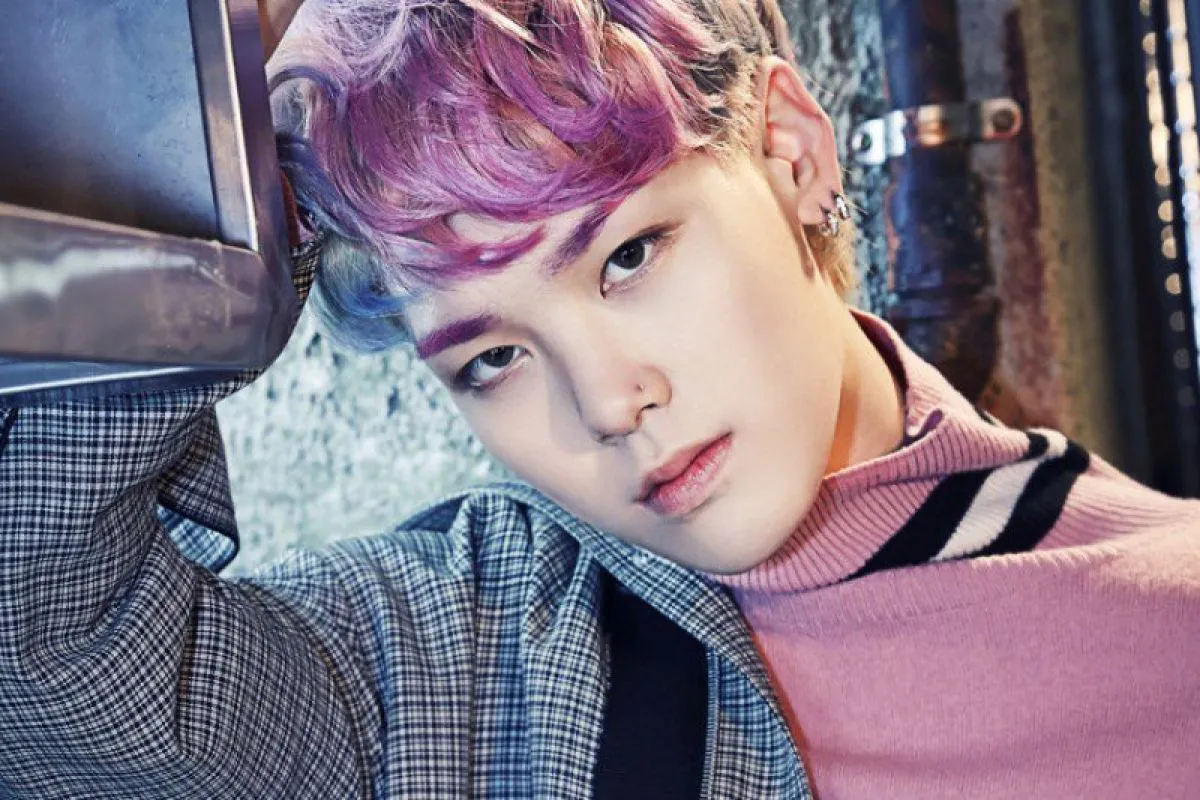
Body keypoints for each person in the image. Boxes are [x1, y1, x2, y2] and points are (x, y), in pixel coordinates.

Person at [2, 0, 1199, 797]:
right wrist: (200, 196)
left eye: (628, 254)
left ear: (791, 152)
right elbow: (46, 661)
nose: (608, 401)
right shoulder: (456, 663)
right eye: (491, 357)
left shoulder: (1169, 626)